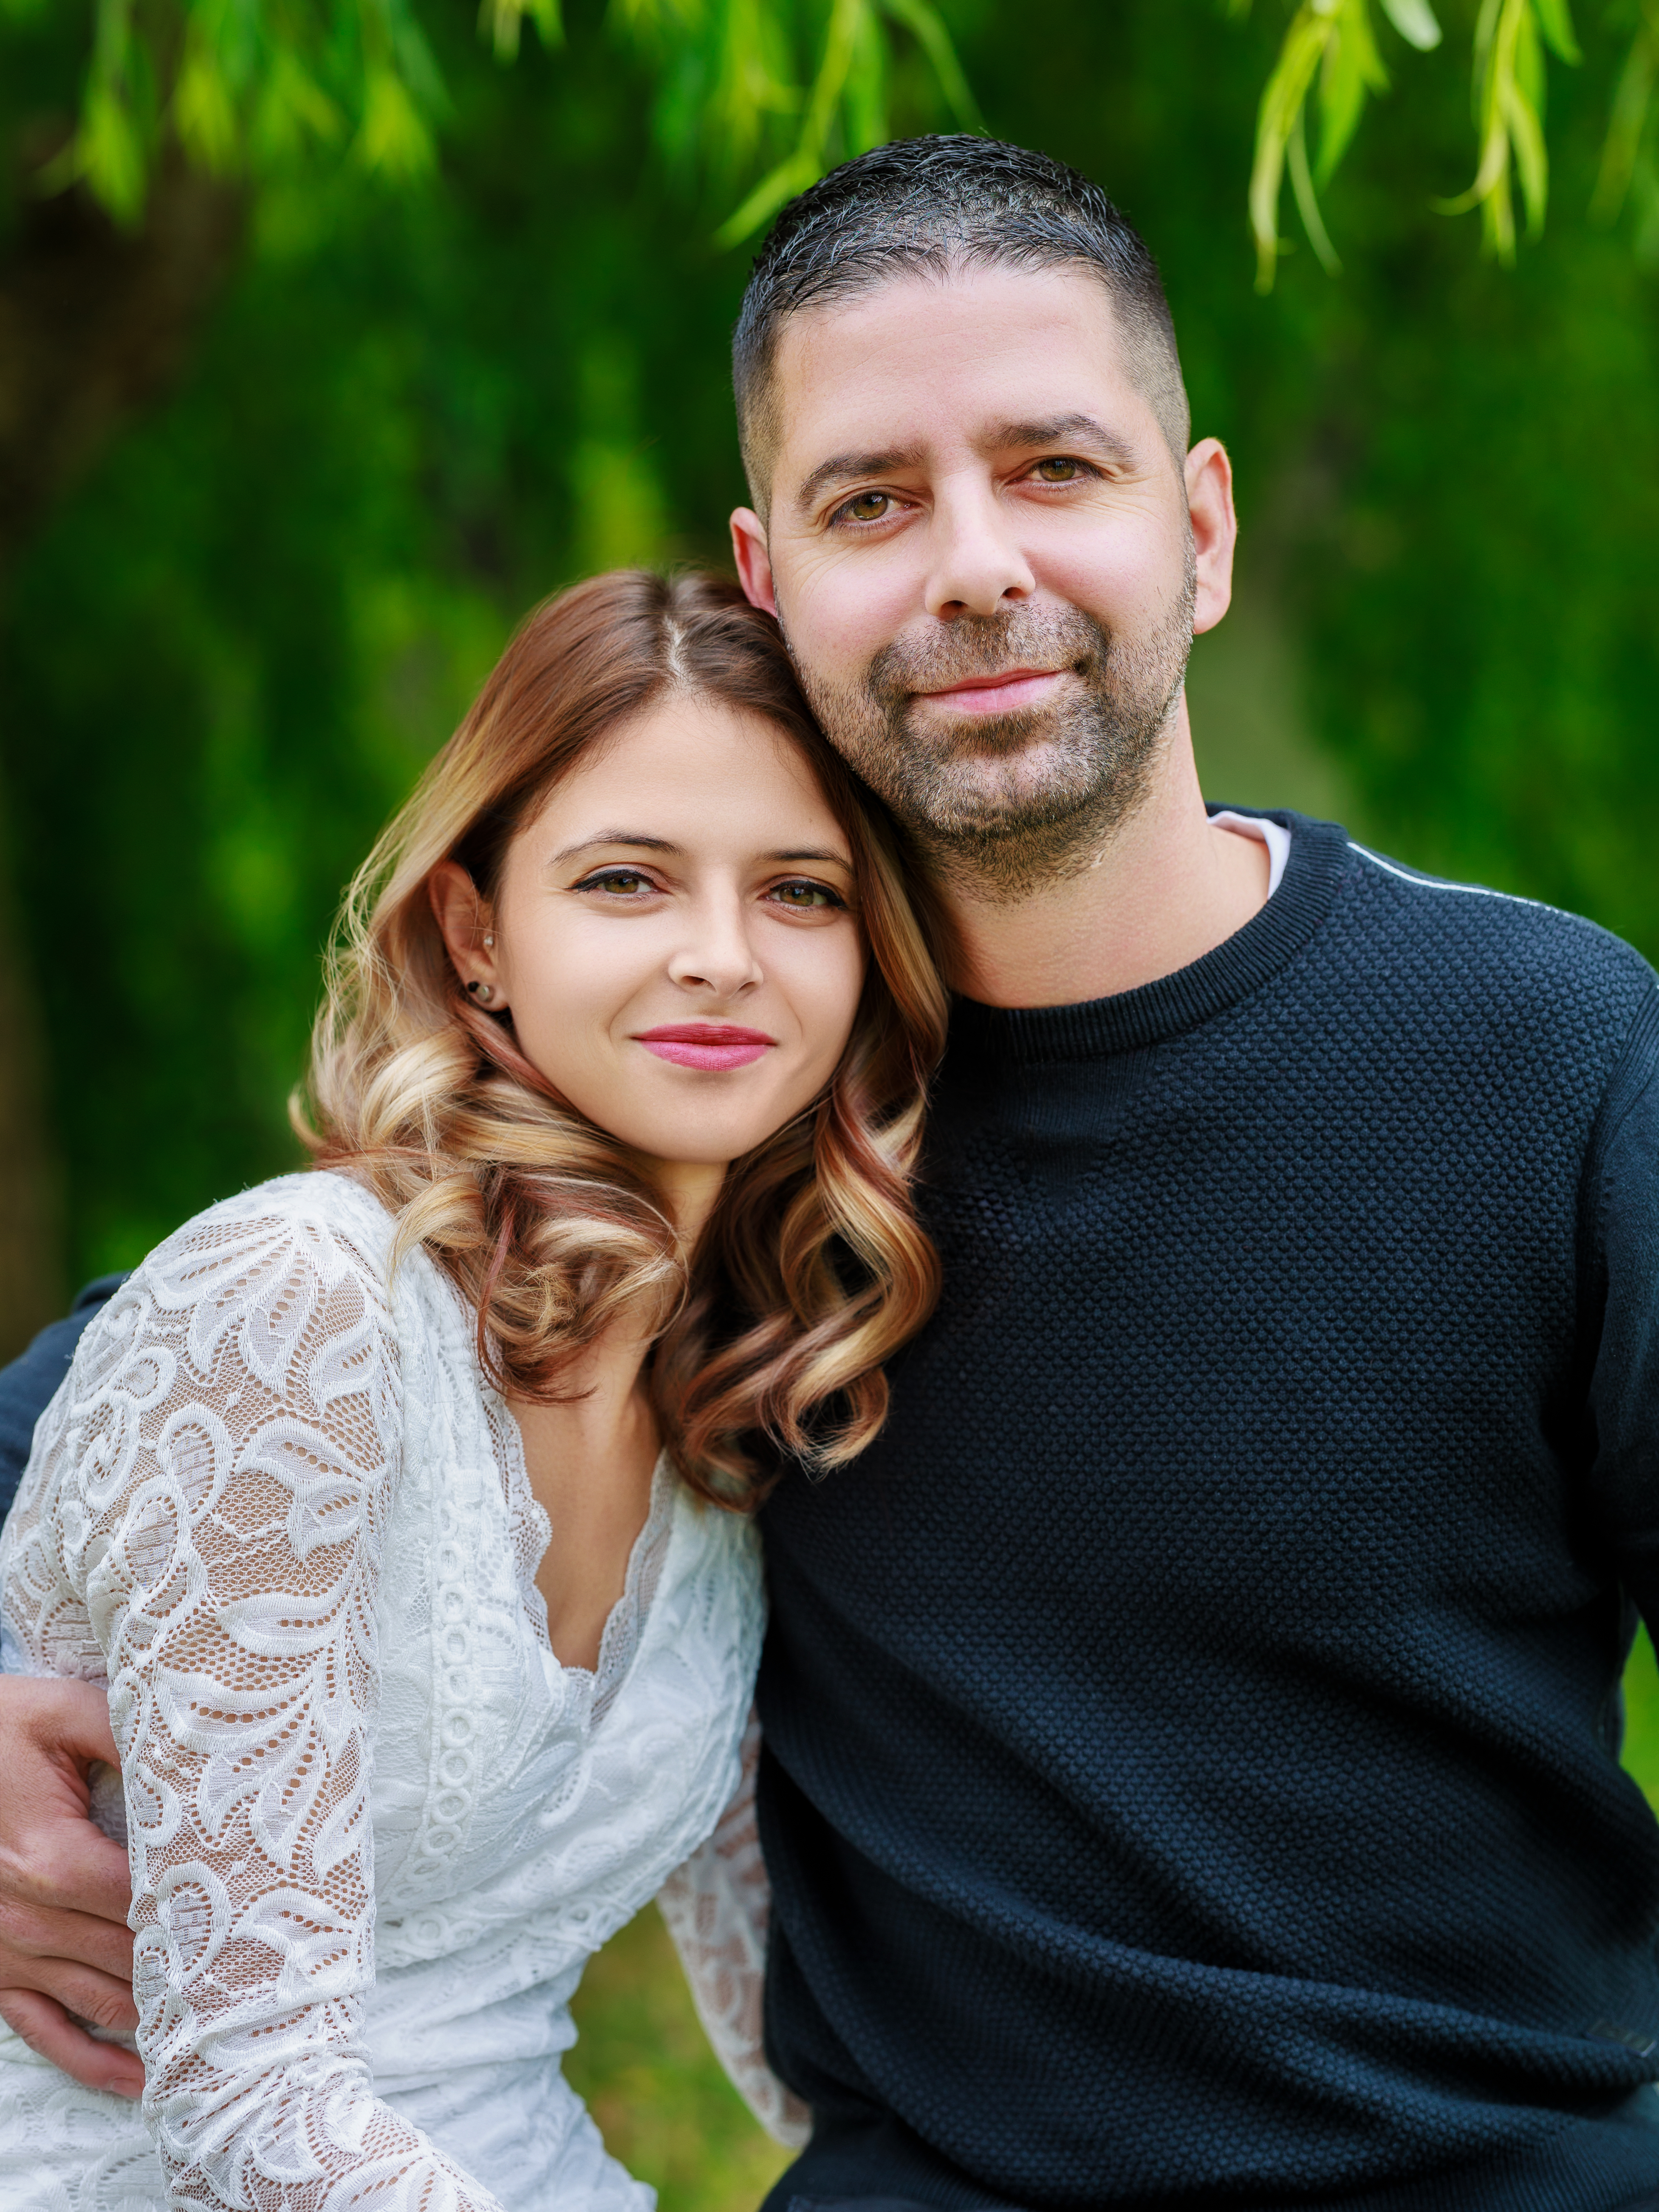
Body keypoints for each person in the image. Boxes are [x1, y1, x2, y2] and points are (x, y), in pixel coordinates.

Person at [5, 130, 1659, 2212]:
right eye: (871, 499)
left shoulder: (1545, 1055)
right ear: (767, 579)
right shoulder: (737, 1122)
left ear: (1199, 527)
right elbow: (174, 1399)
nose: (971, 565)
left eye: (1052, 469)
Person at [0, 566, 944, 2209]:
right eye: (626, 880)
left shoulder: (728, 1409)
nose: (722, 957)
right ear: (476, 936)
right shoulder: (300, 1304)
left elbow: (809, 2053)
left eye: (801, 892)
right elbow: (248, 2102)